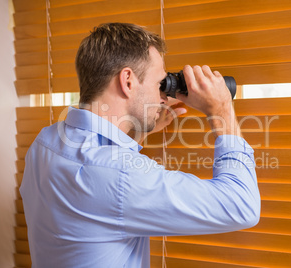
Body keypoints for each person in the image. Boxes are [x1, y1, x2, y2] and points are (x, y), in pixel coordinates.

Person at [20, 23, 260, 268]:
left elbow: (98, 192)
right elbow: (241, 205)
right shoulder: (121, 175)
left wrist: (138, 131)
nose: (165, 97)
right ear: (128, 81)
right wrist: (221, 110)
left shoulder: (45, 142)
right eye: (160, 84)